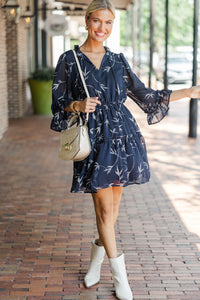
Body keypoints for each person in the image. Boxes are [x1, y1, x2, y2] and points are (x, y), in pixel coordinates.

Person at [51, 1, 200, 299]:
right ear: (86, 21)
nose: (102, 28)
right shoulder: (70, 60)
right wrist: (77, 105)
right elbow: (56, 103)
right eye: (97, 21)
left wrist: (190, 92)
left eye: (108, 23)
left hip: (123, 138)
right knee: (104, 209)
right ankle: (122, 278)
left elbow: (144, 95)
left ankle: (96, 262)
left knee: (112, 211)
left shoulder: (118, 60)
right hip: (93, 139)